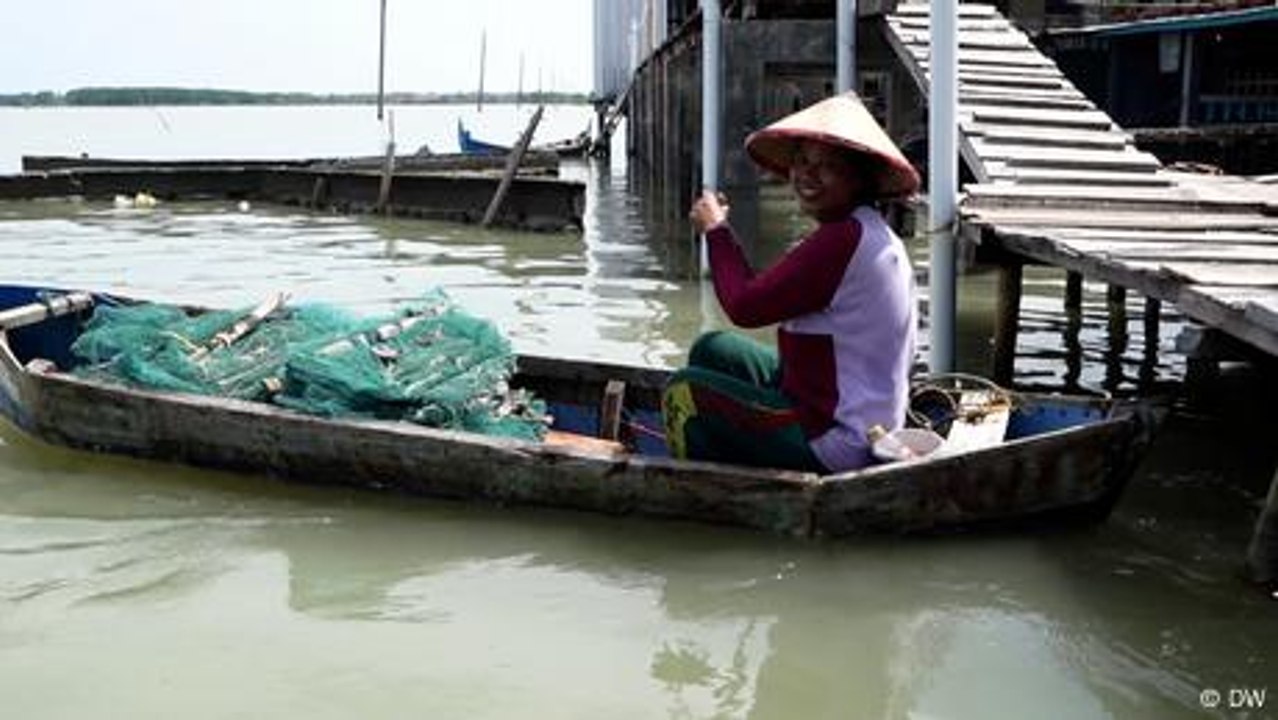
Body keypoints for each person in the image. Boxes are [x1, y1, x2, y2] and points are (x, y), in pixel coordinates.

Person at [662, 92, 920, 473]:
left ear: (859, 177)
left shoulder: (843, 241)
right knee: (713, 349)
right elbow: (761, 295)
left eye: (827, 165)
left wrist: (716, 231)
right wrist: (724, 235)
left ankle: (699, 491)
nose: (806, 175)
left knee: (682, 392)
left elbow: (743, 306)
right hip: (860, 420)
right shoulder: (863, 231)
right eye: (801, 161)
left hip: (837, 440)